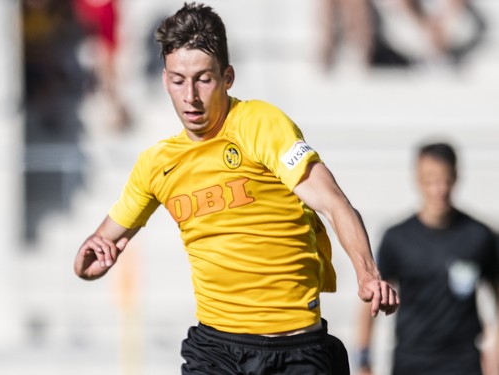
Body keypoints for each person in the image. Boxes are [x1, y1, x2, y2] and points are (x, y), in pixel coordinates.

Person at [74, 3, 399, 374]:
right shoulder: (156, 164)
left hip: (292, 348)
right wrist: (88, 262)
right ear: (165, 80)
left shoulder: (260, 124)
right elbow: (102, 243)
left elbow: (334, 203)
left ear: (227, 77)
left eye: (204, 79)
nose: (190, 96)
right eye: (178, 80)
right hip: (215, 350)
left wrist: (367, 272)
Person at [356, 142, 499, 375]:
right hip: (411, 362)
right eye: (430, 179)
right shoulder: (397, 237)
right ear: (418, 178)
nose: (438, 189)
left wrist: (495, 354)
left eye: (445, 179)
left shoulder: (480, 236)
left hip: (464, 363)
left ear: (455, 176)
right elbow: (368, 304)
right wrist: (364, 360)